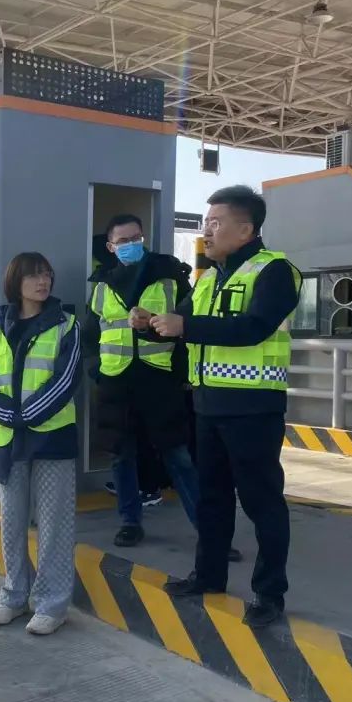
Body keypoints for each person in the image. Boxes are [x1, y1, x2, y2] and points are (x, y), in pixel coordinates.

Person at [156, 186, 301, 628]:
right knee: (212, 498)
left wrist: (185, 326)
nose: (207, 231)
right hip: (207, 404)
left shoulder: (275, 271)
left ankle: (269, 594)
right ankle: (208, 576)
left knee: (261, 502)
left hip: (253, 407)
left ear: (246, 229)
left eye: (215, 223)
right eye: (206, 222)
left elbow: (253, 327)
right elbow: (185, 325)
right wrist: (151, 325)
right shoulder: (208, 278)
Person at [0, 252, 81, 636]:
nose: (42, 281)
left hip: (51, 439)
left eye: (46, 274)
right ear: (15, 282)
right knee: (12, 522)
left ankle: (51, 604)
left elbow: (66, 380)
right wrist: (5, 413)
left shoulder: (67, 325)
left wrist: (24, 416)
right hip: (7, 439)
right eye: (33, 275)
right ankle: (13, 595)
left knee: (54, 525)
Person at [83, 214, 202, 548]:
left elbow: (188, 327)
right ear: (111, 247)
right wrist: (98, 370)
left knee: (178, 455)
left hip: (160, 381)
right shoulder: (102, 286)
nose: (131, 245)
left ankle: (208, 530)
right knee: (122, 456)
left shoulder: (170, 277)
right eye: (123, 241)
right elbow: (91, 335)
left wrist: (182, 376)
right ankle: (130, 522)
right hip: (115, 383)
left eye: (136, 239)